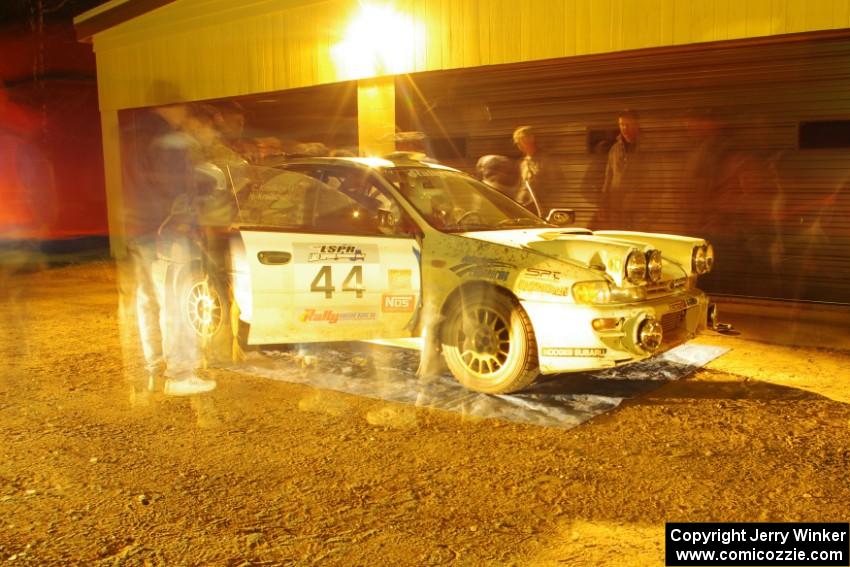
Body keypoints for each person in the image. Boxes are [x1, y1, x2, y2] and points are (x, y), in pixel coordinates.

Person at [121, 99, 216, 396]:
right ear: (176, 107)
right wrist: (186, 219)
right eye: (185, 109)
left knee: (147, 300)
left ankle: (153, 366)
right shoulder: (168, 138)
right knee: (174, 299)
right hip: (167, 230)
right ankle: (180, 373)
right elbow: (174, 184)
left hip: (138, 229)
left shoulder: (132, 135)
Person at [598, 109, 641, 228]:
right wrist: (603, 204)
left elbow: (657, 179)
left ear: (636, 125)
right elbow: (608, 179)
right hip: (617, 209)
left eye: (628, 124)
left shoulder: (647, 148)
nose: (624, 128)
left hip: (638, 211)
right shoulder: (614, 149)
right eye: (621, 124)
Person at [512, 126, 553, 215]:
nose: (519, 145)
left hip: (540, 207)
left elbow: (558, 183)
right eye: (518, 143)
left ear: (531, 140)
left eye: (521, 141)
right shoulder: (522, 162)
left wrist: (546, 200)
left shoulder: (546, 159)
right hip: (522, 206)